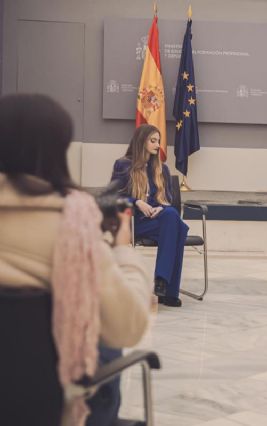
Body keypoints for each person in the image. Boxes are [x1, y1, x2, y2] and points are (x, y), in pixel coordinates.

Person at [0, 94, 151, 425]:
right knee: (106, 344)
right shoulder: (73, 230)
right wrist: (122, 249)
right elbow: (129, 326)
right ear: (58, 150)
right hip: (46, 408)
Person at [110, 124, 189, 307]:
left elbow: (167, 199)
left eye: (158, 141)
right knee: (178, 228)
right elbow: (114, 197)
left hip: (158, 221)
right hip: (135, 220)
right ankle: (167, 290)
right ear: (141, 142)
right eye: (153, 141)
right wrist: (136, 202)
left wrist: (161, 207)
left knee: (170, 216)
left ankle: (162, 283)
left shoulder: (163, 169)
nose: (157, 145)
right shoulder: (123, 165)